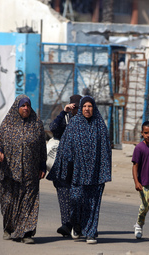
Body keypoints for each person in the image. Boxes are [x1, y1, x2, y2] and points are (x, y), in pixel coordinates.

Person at [47, 95, 111, 244]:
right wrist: (66, 165)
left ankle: (90, 233)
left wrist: (105, 170)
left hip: (96, 172)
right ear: (81, 108)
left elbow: (106, 149)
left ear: (93, 108)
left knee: (93, 203)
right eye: (84, 106)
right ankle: (75, 223)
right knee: (76, 198)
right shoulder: (74, 123)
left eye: (89, 106)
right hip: (77, 172)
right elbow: (65, 145)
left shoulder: (99, 124)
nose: (87, 109)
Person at [0, 94, 47, 244]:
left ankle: (26, 233)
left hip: (30, 172)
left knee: (29, 202)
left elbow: (42, 148)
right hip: (10, 172)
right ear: (17, 107)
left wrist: (42, 165)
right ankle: (8, 228)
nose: (26, 108)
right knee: (8, 202)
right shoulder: (7, 123)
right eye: (23, 105)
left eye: (28, 105)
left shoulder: (37, 123)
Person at [49, 94, 82, 237]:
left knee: (77, 196)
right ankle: (66, 225)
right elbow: (53, 128)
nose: (76, 110)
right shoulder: (65, 118)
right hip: (63, 164)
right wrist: (64, 112)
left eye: (78, 107)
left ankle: (75, 224)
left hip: (79, 165)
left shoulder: (87, 121)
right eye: (74, 107)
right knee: (63, 194)